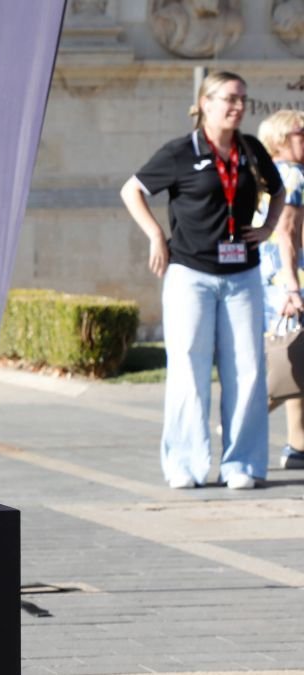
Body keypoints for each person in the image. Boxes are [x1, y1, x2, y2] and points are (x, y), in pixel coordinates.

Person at [120, 70, 286, 489]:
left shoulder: (250, 150)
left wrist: (267, 228)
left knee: (247, 370)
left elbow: (279, 190)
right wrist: (155, 235)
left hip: (242, 275)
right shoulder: (181, 151)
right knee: (188, 369)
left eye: (243, 99)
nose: (238, 106)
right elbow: (131, 190)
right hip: (190, 274)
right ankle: (185, 464)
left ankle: (242, 465)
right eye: (230, 98)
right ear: (205, 103)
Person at [257, 108, 304, 470]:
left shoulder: (270, 173)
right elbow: (286, 234)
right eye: (300, 134)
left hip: (270, 275)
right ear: (280, 139)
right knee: (290, 357)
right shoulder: (292, 175)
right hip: (287, 279)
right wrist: (292, 287)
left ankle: (298, 445)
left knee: (295, 357)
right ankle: (244, 418)